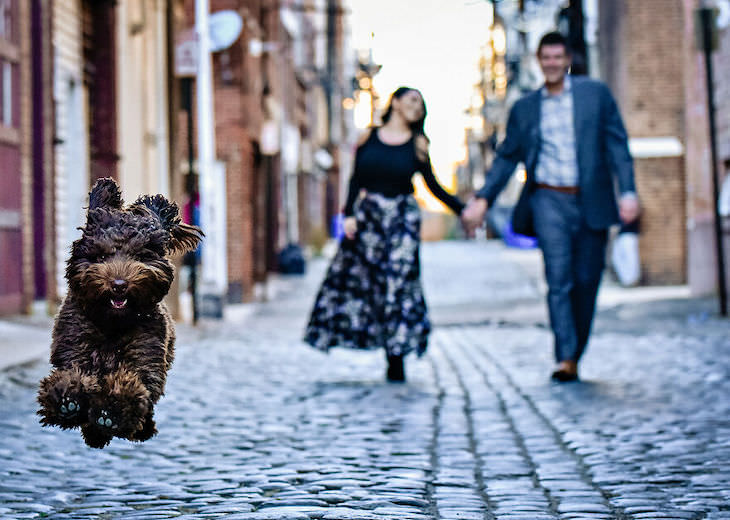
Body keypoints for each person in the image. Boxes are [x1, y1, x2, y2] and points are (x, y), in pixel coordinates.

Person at [462, 32, 640, 382]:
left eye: (558, 57)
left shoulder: (595, 95)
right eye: (546, 58)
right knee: (558, 279)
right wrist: (483, 199)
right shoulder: (526, 108)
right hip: (547, 199)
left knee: (587, 280)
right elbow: (507, 157)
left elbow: (617, 145)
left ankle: (576, 349)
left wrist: (629, 191)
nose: (552, 63)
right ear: (538, 61)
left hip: (591, 198)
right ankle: (565, 357)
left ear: (568, 58)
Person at [304, 87, 466, 382]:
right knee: (372, 283)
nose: (417, 106)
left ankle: (397, 353)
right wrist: (349, 214)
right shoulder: (369, 138)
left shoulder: (417, 144)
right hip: (370, 219)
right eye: (413, 99)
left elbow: (432, 184)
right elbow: (356, 179)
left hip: (402, 218)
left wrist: (462, 209)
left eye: (421, 103)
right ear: (396, 101)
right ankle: (378, 341)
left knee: (399, 281)